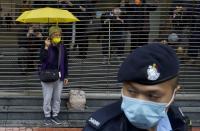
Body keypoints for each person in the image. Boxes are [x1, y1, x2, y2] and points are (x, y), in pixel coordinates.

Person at [83, 43, 190, 131]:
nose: (140, 103)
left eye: (152, 95)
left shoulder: (178, 120)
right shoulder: (102, 126)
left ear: (174, 93)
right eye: (131, 91)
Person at [39, 26, 68, 125]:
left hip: (59, 76)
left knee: (57, 97)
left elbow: (65, 62)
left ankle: (55, 115)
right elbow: (42, 59)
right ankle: (47, 116)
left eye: (59, 35)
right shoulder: (46, 45)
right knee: (47, 97)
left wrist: (66, 76)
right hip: (47, 76)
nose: (58, 36)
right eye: (55, 35)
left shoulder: (62, 47)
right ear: (51, 35)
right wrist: (46, 47)